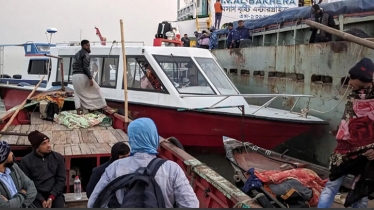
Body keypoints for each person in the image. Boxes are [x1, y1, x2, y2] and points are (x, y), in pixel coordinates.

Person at [87, 118, 199, 208]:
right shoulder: (172, 168)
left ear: (131, 139)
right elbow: (191, 205)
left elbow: (93, 203)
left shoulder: (115, 167)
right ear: (153, 137)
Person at [317, 58, 374, 208]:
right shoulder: (353, 96)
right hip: (346, 150)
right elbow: (347, 121)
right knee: (331, 186)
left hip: (369, 153)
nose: (349, 82)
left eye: (352, 78)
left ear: (363, 79)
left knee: (361, 193)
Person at [20, 130, 66, 208]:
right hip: (36, 195)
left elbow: (61, 179)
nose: (48, 145)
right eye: (44, 144)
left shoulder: (57, 157)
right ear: (37, 147)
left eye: (48, 142)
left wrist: (51, 197)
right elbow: (27, 184)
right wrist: (41, 199)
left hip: (55, 193)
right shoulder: (26, 161)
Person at [72, 39, 108, 115]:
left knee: (77, 93)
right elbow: (85, 67)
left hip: (74, 76)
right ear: (82, 46)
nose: (88, 47)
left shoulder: (76, 55)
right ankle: (103, 105)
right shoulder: (85, 54)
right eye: (87, 45)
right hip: (82, 75)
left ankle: (79, 111)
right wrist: (90, 77)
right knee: (97, 89)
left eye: (89, 45)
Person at [0, 141, 37, 208]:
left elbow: (31, 187)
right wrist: (22, 194)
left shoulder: (14, 167)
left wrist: (22, 206)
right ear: (3, 157)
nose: (12, 153)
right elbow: (5, 206)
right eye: (9, 152)